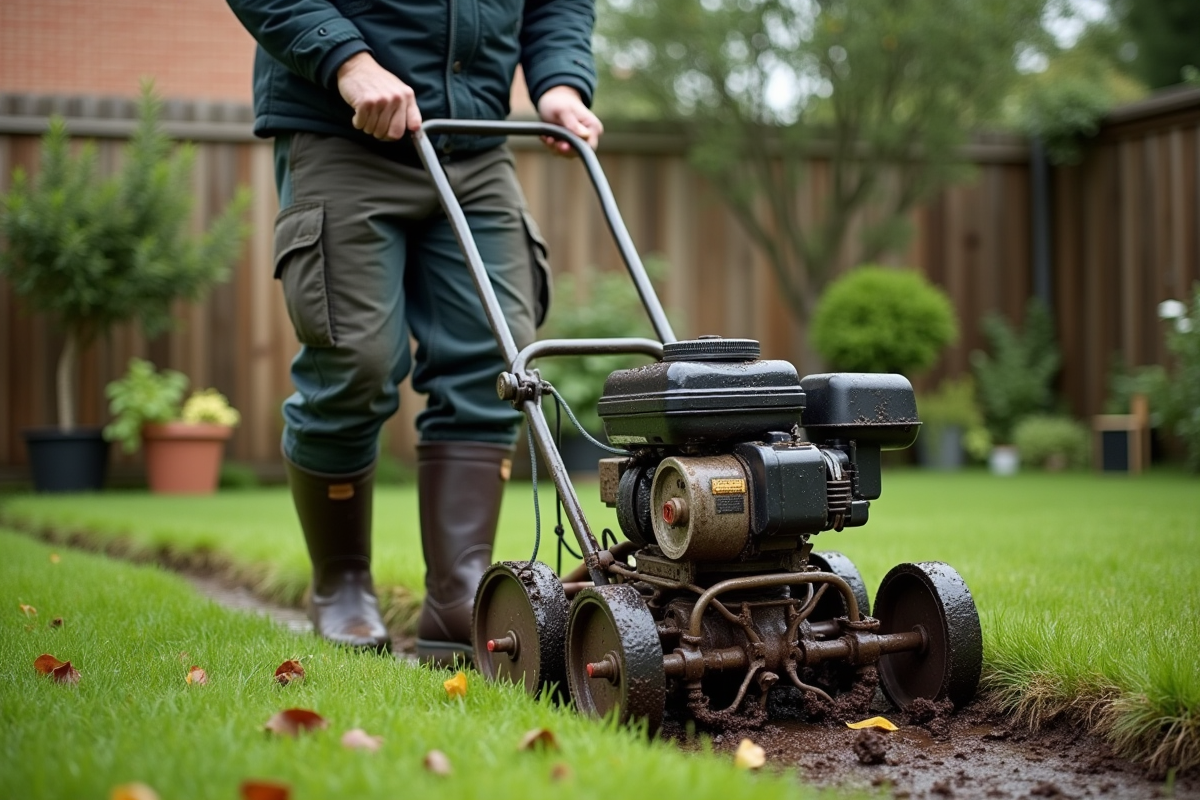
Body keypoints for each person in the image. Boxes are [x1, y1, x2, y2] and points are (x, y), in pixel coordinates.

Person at [224, 0, 603, 664]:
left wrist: (560, 79)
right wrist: (346, 60)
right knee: (356, 361)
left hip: (474, 141)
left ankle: (457, 598)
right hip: (343, 128)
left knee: (497, 366)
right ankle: (341, 583)